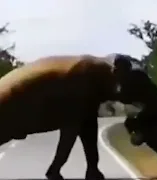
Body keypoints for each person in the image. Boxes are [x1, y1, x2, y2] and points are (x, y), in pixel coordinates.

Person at [0, 53, 140, 180]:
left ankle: (91, 169)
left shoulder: (92, 79)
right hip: (14, 101)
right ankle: (55, 170)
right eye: (119, 81)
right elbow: (70, 133)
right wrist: (56, 167)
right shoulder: (86, 77)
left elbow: (88, 129)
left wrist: (93, 167)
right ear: (114, 73)